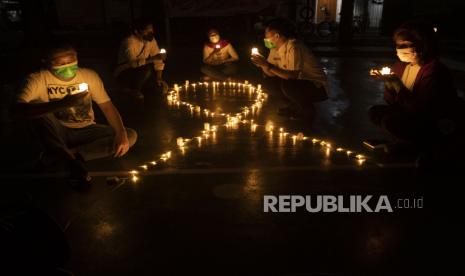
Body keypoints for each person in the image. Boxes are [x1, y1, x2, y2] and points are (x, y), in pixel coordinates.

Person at [11, 40, 137, 183]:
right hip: (56, 131)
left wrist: (121, 134)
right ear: (46, 62)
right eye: (60, 63)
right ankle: (71, 162)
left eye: (71, 61)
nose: (67, 66)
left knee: (130, 135)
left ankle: (66, 155)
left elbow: (107, 107)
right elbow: (16, 111)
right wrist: (62, 104)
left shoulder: (89, 76)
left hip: (87, 129)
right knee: (37, 106)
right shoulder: (37, 80)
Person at [368, 20, 464, 161]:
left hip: (434, 121)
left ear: (422, 45)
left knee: (392, 121)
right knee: (375, 112)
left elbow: (420, 108)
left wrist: (398, 85)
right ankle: (406, 142)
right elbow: (392, 102)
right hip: (410, 113)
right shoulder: (400, 67)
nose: (399, 49)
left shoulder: (433, 70)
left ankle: (421, 145)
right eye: (397, 45)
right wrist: (389, 84)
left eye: (405, 45)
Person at [251, 18, 328, 119]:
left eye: (266, 36)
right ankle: (293, 105)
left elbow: (293, 75)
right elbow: (271, 74)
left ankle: (307, 110)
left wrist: (268, 65)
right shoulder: (274, 48)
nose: (265, 39)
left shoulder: (294, 46)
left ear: (277, 36)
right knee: (269, 82)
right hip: (297, 83)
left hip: (317, 87)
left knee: (288, 84)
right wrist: (263, 65)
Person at [115, 18, 167, 100]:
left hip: (141, 71)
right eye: (147, 30)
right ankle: (132, 90)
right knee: (147, 69)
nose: (151, 32)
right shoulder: (129, 42)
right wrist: (153, 58)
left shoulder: (151, 40)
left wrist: (159, 78)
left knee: (158, 88)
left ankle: (137, 88)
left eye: (152, 29)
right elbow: (133, 64)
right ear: (137, 32)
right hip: (125, 72)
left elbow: (158, 60)